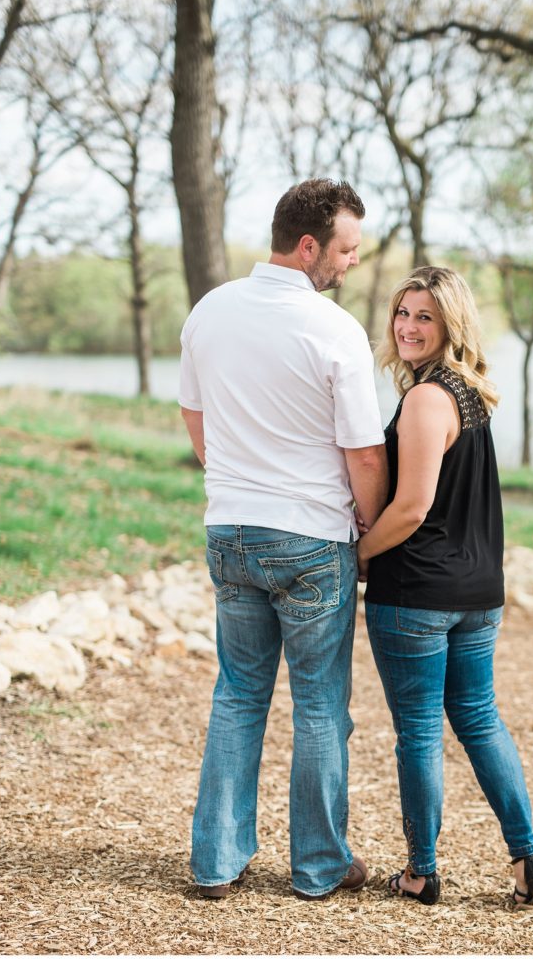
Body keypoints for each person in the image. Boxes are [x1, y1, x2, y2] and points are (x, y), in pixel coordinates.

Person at [179, 178, 388, 901]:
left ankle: (215, 861)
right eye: (347, 248)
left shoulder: (210, 311)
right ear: (309, 247)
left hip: (230, 529)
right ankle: (320, 865)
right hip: (310, 540)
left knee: (237, 696)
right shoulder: (332, 329)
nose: (352, 262)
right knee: (321, 704)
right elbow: (364, 454)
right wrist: (367, 526)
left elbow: (194, 416)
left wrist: (237, 481)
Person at [357, 266, 533, 907]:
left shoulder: (424, 400)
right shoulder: (472, 396)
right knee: (480, 720)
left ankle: (421, 871)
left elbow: (411, 507)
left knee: (418, 730)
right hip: (476, 594)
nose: (408, 327)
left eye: (425, 317)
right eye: (402, 313)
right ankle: (527, 858)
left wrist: (360, 555)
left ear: (450, 326)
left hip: (415, 593)